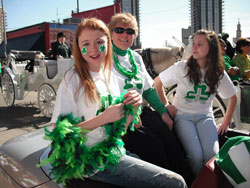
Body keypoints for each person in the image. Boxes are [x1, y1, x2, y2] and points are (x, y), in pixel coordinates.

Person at [50, 18, 187, 188]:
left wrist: (132, 111)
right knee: (176, 183)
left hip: (113, 151)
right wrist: (103, 118)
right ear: (78, 46)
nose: (93, 48)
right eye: (86, 43)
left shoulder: (110, 76)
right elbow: (60, 134)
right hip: (90, 163)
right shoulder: (72, 80)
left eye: (99, 42)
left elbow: (118, 130)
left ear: (108, 44)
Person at [109, 13, 195, 186]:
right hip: (119, 117)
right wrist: (127, 110)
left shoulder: (136, 58)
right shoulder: (103, 58)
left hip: (141, 111)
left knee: (171, 139)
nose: (125, 35)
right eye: (120, 30)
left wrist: (163, 112)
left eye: (130, 31)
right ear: (111, 33)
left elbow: (148, 90)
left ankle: (190, 182)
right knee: (154, 146)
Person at [154, 29, 237, 176]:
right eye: (194, 43)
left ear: (211, 48)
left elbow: (232, 97)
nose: (193, 48)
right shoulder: (182, 67)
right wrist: (166, 104)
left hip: (205, 116)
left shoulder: (218, 72)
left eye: (200, 44)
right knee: (196, 156)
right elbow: (157, 83)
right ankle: (193, 183)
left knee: (212, 156)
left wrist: (226, 122)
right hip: (183, 117)